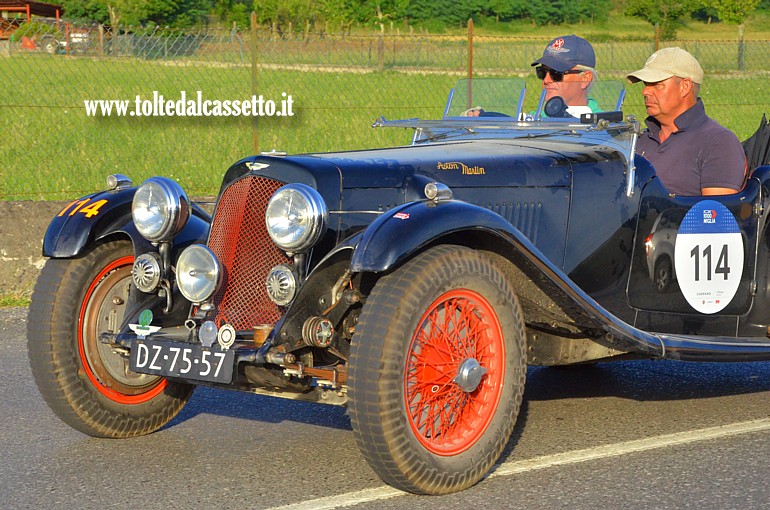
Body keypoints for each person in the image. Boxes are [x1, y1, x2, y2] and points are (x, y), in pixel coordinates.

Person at [627, 47, 746, 196]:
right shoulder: (637, 140)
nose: (645, 91)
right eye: (645, 84)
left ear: (685, 87)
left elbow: (715, 214)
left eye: (656, 84)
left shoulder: (718, 142)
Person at [531, 34, 600, 117]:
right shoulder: (534, 120)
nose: (546, 80)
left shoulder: (603, 125)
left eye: (556, 73)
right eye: (542, 72)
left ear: (585, 79)